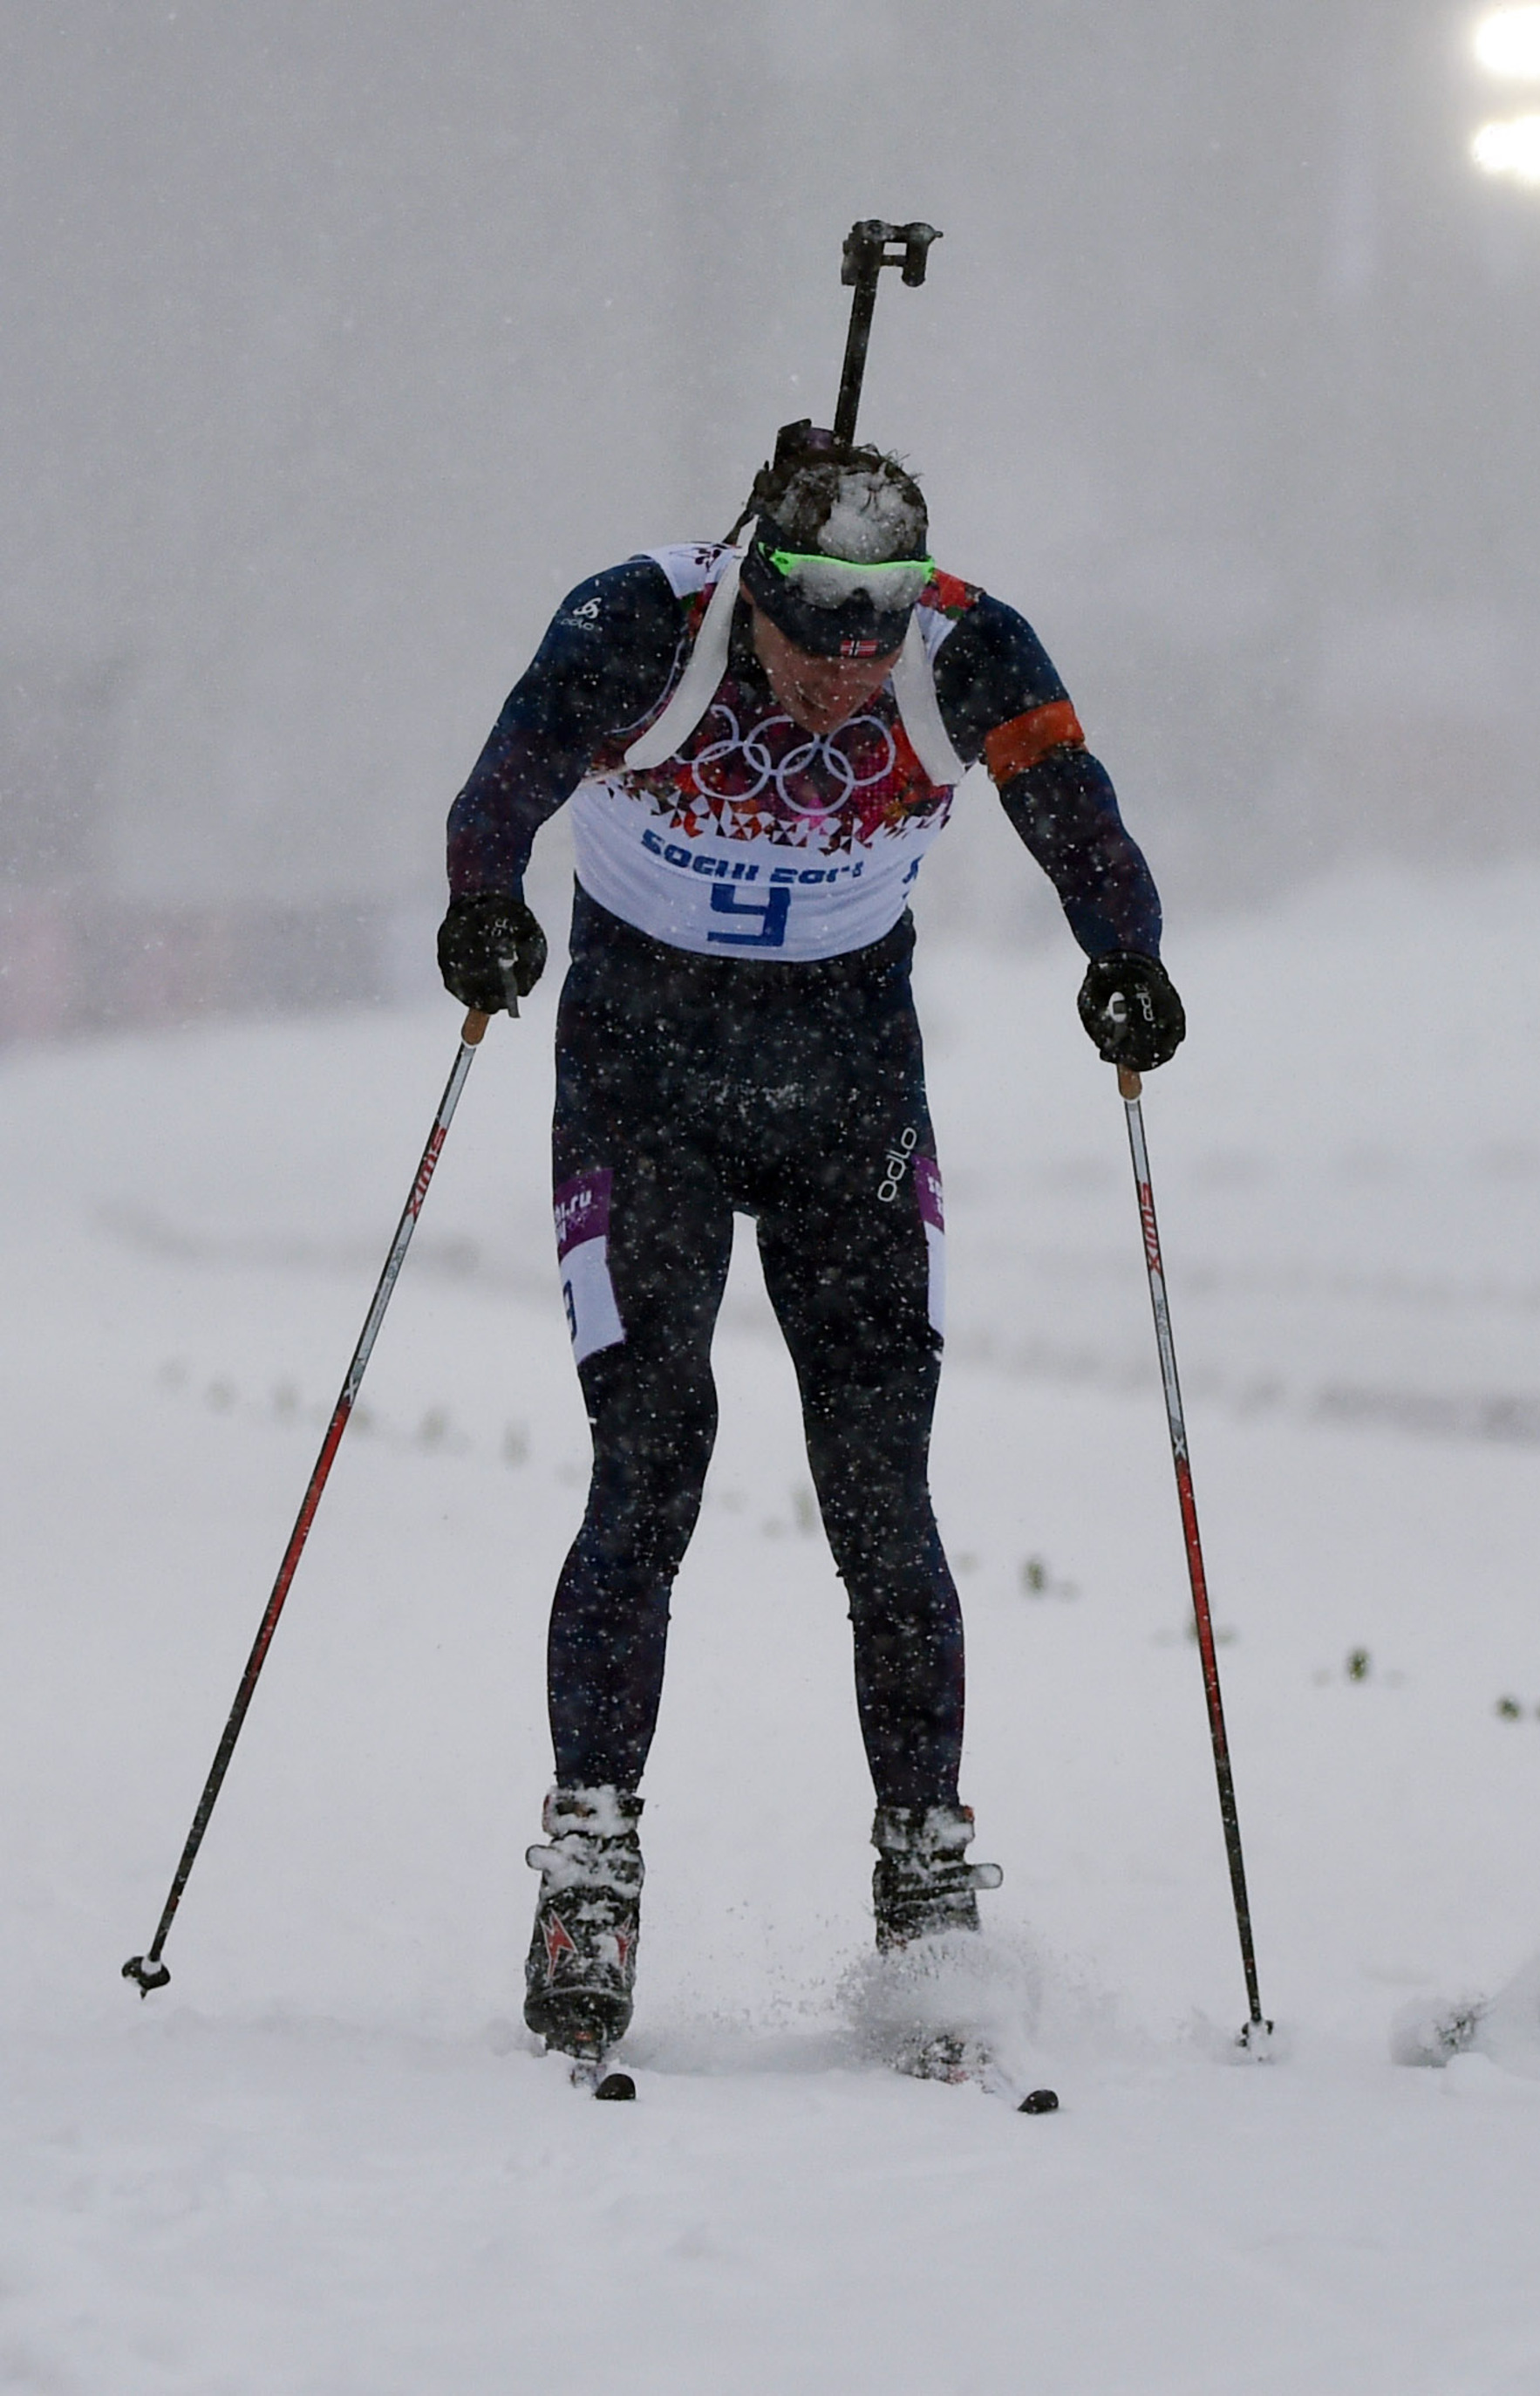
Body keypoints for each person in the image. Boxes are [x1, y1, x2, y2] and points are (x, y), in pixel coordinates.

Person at [434, 422, 1188, 2065]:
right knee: (650, 1452)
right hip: (644, 1080)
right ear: (754, 593)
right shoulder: (637, 623)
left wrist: (1121, 951)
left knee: (880, 1479)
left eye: (879, 645)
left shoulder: (969, 642)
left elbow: (1078, 809)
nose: (850, 681)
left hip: (848, 1084)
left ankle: (924, 1877)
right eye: (812, 646)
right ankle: (592, 1861)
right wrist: (484, 903)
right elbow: (499, 792)